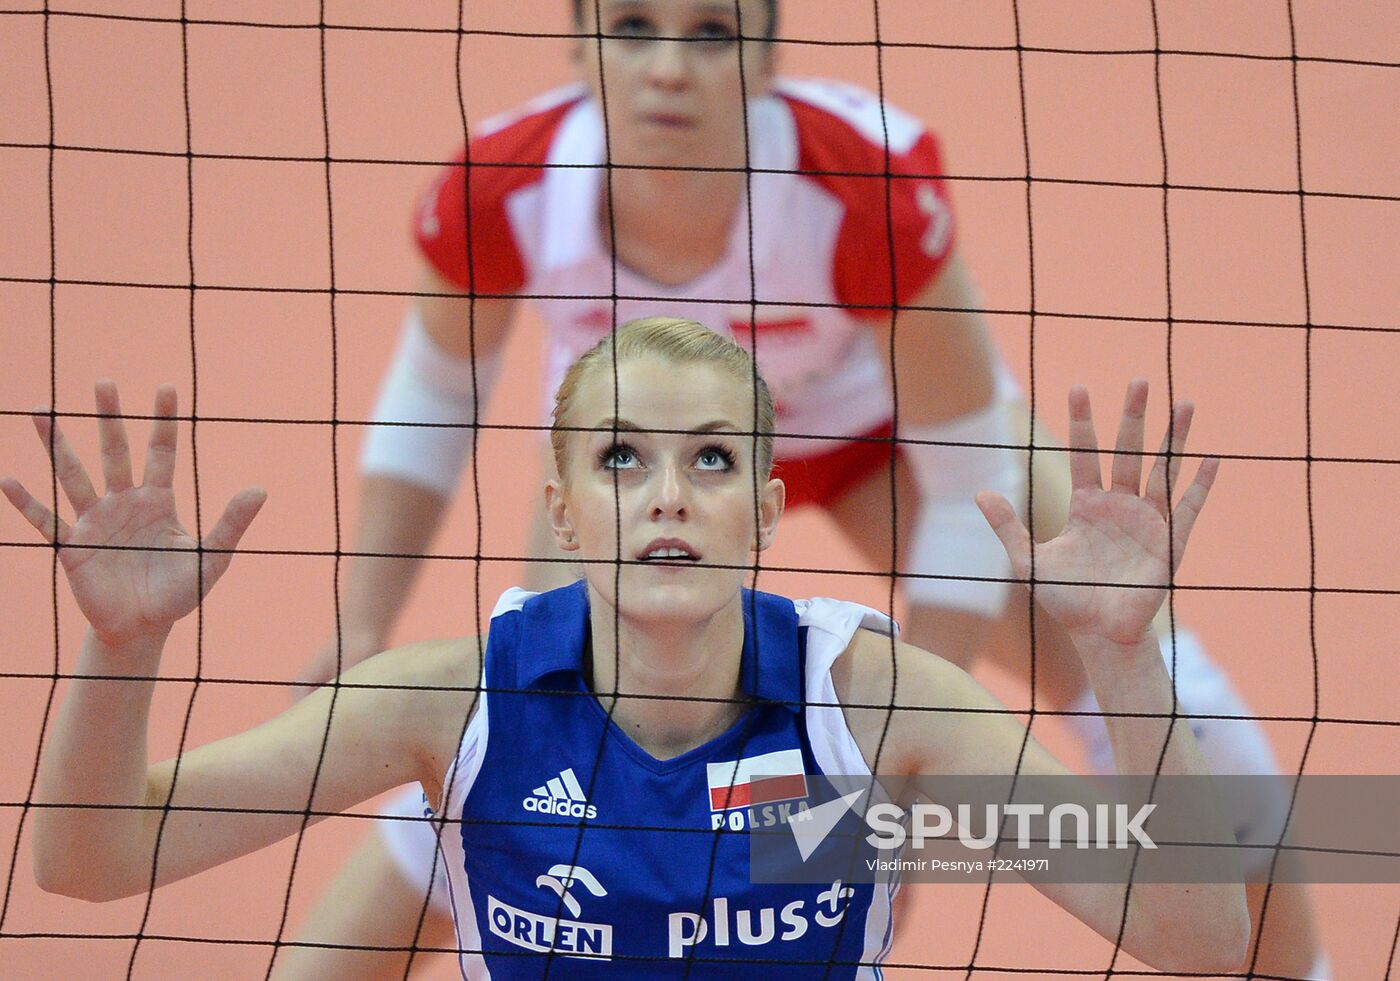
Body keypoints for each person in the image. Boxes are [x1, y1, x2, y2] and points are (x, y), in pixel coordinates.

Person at [293, 1, 1326, 976]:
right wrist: (360, 620)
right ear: (578, 43)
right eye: (632, 26)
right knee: (532, 742)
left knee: (1175, 702)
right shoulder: (504, 184)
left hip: (891, 437)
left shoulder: (857, 181)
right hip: (650, 454)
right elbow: (433, 393)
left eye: (710, 30)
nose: (667, 66)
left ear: (766, 55)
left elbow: (968, 467)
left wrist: (899, 764)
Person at [5, 318, 1251, 979]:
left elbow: (1196, 933)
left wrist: (1122, 658)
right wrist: (122, 649)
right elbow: (92, 861)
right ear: (561, 508)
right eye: (620, 458)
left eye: (711, 458)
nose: (667, 497)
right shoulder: (446, 705)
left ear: (764, 510)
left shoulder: (874, 706)